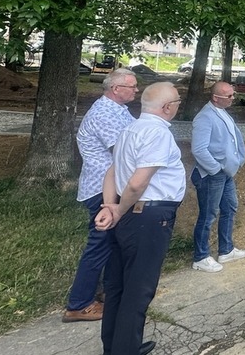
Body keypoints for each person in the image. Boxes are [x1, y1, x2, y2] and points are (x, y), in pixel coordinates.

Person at [96, 82, 186, 355]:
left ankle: (118, 345)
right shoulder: (156, 134)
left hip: (129, 212)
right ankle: (125, 350)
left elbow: (112, 171)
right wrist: (119, 210)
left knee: (119, 286)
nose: (177, 106)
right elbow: (138, 183)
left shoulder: (130, 129)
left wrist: (110, 206)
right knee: (139, 289)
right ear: (168, 107)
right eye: (177, 102)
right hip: (147, 215)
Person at [63, 68, 138, 323]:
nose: (136, 90)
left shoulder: (117, 109)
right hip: (101, 189)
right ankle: (79, 304)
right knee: (100, 244)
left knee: (114, 244)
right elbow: (124, 152)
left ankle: (109, 291)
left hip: (111, 186)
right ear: (116, 89)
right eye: (132, 86)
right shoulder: (104, 113)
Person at [191, 81, 245, 273]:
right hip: (211, 175)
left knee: (229, 208)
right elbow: (199, 149)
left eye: (233, 94)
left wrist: (237, 160)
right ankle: (200, 256)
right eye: (229, 96)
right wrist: (216, 169)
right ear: (216, 97)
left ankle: (226, 250)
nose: (233, 98)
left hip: (224, 174)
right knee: (208, 215)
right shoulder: (205, 118)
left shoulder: (221, 112)